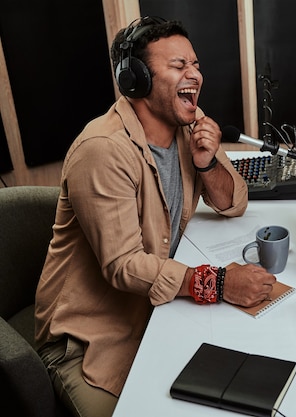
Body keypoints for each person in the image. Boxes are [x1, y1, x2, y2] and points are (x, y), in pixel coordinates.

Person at [34, 17, 276, 417]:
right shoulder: (103, 150)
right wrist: (217, 283)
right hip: (89, 341)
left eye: (196, 65)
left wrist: (206, 164)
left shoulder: (187, 126)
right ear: (136, 79)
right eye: (179, 66)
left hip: (155, 310)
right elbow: (122, 266)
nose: (195, 75)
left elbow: (234, 202)